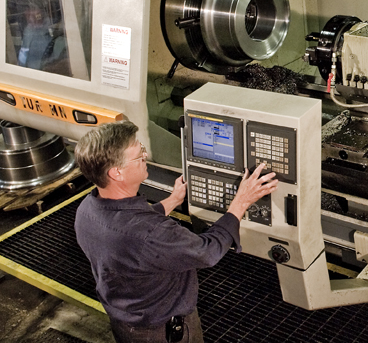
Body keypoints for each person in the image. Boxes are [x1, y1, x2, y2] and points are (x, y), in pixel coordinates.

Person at [73, 120, 278, 343]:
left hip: (125, 322)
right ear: (117, 173)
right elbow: (206, 253)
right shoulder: (150, 233)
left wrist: (172, 201)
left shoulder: (87, 208)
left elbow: (131, 226)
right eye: (139, 154)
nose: (145, 155)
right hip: (162, 332)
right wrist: (241, 202)